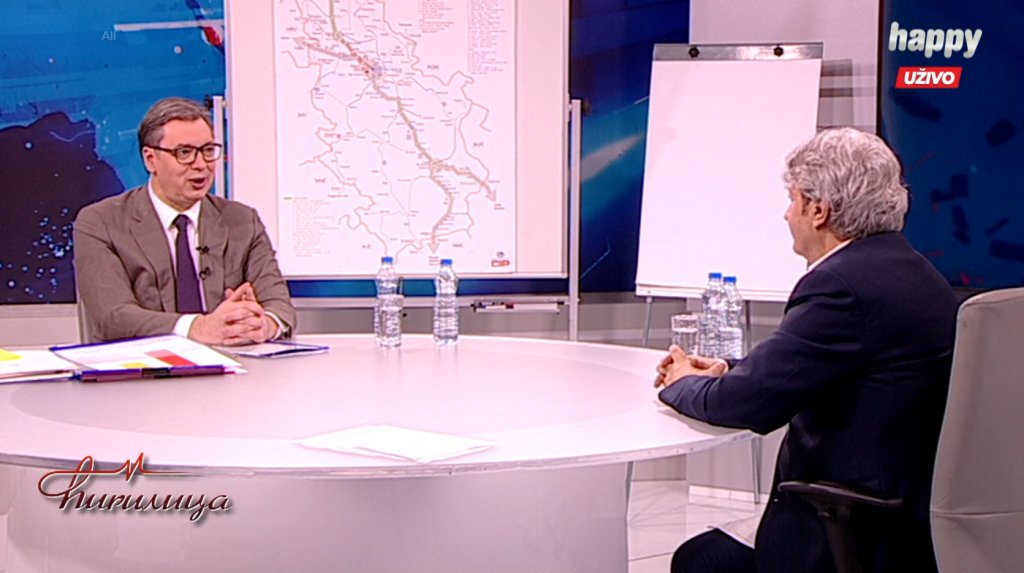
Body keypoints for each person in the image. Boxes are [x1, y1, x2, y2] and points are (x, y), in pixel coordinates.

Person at [655, 128, 958, 572]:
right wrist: (724, 367)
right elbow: (812, 367)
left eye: (792, 199)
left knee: (699, 561)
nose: (786, 214)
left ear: (818, 210)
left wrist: (680, 382)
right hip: (906, 524)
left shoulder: (840, 285)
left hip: (850, 532)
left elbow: (746, 404)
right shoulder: (914, 271)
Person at [74, 97, 295, 345]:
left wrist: (264, 325)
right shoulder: (101, 223)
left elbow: (279, 304)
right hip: (143, 364)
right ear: (150, 159)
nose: (201, 165)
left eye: (208, 150)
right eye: (184, 153)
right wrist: (198, 327)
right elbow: (114, 317)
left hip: (232, 363)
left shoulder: (243, 221)